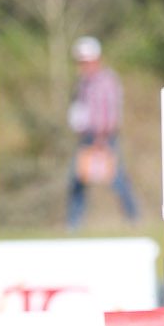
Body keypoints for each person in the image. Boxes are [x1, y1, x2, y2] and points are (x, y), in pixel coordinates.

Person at [64, 36, 139, 228]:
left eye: (86, 61)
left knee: (117, 180)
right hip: (86, 138)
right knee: (78, 181)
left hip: (104, 138)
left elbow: (111, 113)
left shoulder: (107, 81)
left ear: (96, 60)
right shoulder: (83, 83)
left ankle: (134, 218)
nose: (82, 65)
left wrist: (102, 139)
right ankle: (73, 224)